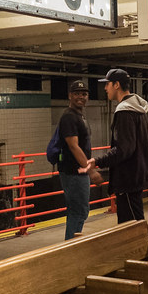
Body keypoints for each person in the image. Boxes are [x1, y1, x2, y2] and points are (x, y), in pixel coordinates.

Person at [82, 68, 148, 223]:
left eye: (107, 84)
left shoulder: (124, 112)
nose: (105, 88)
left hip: (128, 178)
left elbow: (124, 149)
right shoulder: (138, 110)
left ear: (116, 85)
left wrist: (97, 161)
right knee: (136, 223)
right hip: (138, 175)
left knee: (131, 227)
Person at [57, 79, 97, 239]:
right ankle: (71, 247)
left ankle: (72, 245)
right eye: (77, 94)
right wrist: (91, 171)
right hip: (74, 173)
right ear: (69, 96)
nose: (81, 96)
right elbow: (74, 146)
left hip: (78, 172)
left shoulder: (78, 116)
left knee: (79, 211)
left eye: (84, 94)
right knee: (79, 211)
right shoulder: (69, 117)